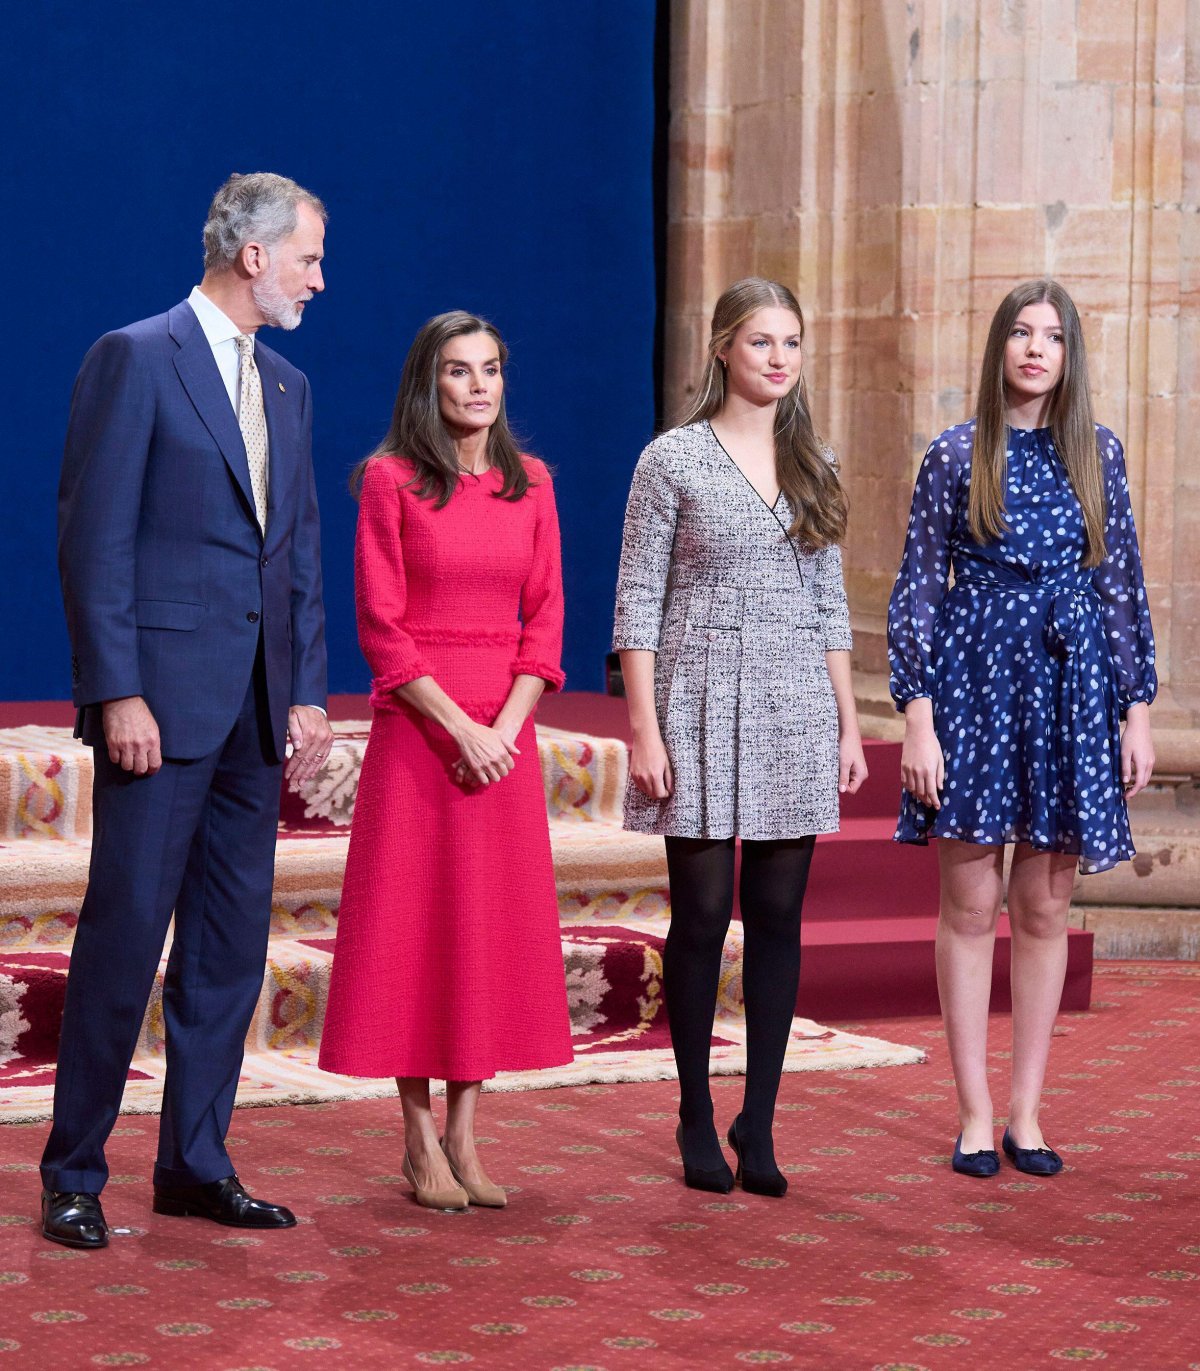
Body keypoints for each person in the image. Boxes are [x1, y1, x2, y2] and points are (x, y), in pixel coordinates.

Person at [42, 173, 333, 1249]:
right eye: (308, 255)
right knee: (124, 941)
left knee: (226, 952)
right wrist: (115, 689)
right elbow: (93, 538)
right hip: (156, 712)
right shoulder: (136, 356)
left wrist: (306, 686)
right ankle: (74, 1171)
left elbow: (295, 548)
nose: (319, 276)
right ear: (252, 254)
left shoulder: (291, 385)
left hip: (256, 716)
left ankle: (195, 1165)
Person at [888, 278, 1156, 1178]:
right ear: (999, 347)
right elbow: (919, 586)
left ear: (1070, 355)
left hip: (1071, 690)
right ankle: (971, 1112)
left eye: (1052, 336)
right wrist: (917, 718)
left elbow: (1121, 588)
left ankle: (1027, 1113)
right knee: (969, 903)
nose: (1035, 348)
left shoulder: (1099, 455)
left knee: (1044, 905)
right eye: (1020, 333)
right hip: (972, 685)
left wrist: (1138, 708)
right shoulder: (956, 454)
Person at [613, 277, 868, 1198]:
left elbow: (831, 602)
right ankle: (692, 1108)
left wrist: (848, 721)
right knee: (703, 913)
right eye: (761, 342)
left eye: (791, 343)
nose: (778, 359)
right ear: (722, 347)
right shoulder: (672, 459)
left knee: (779, 917)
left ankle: (758, 1118)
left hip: (795, 701)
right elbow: (637, 603)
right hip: (699, 697)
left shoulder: (816, 461)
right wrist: (643, 727)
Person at [318, 311, 572, 1211]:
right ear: (428, 384)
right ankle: (417, 1137)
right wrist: (458, 729)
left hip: (503, 736)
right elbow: (380, 626)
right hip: (422, 736)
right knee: (414, 930)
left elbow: (545, 620)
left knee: (485, 930)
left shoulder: (531, 482)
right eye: (459, 371)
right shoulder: (389, 482)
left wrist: (503, 726)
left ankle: (467, 1133)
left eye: (491, 369)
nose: (477, 386)